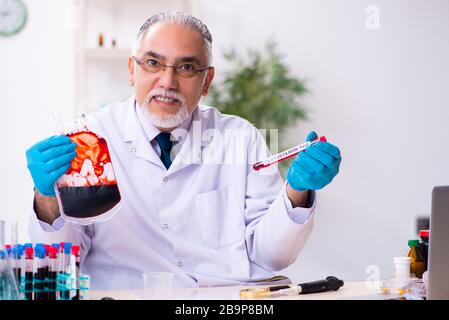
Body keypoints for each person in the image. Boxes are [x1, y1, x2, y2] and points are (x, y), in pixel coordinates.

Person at [25, 12, 342, 289]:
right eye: (152, 63)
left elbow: (273, 256)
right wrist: (47, 200)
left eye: (187, 67)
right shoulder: (90, 140)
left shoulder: (240, 138)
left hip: (225, 300)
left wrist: (296, 192)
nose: (168, 81)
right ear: (132, 70)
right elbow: (59, 268)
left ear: (207, 81)